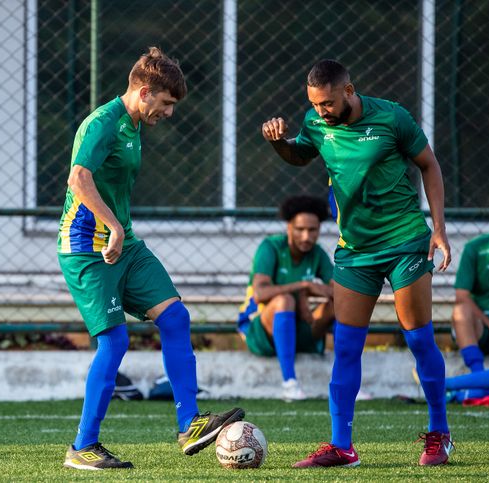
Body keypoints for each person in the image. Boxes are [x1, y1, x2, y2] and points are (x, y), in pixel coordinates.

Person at [57, 46, 244, 471]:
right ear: (144, 92)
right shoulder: (101, 123)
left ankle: (189, 425)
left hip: (125, 245)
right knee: (115, 341)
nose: (170, 113)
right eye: (167, 104)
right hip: (88, 248)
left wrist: (121, 230)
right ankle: (82, 446)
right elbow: (78, 178)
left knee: (176, 318)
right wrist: (115, 227)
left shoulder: (133, 124)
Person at [261, 59, 452, 467]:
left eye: (327, 103)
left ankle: (440, 434)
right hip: (355, 252)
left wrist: (439, 228)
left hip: (404, 242)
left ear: (349, 91)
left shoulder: (393, 117)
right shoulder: (316, 124)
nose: (320, 112)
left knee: (418, 339)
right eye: (314, 105)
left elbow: (429, 165)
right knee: (346, 347)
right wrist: (279, 142)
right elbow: (299, 155)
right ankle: (342, 446)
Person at [238, 196, 334, 401]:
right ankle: (289, 383)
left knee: (341, 305)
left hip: (298, 327)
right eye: (300, 229)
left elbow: (337, 292)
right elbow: (261, 294)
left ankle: (348, 381)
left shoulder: (317, 253)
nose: (306, 236)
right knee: (284, 300)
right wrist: (303, 286)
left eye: (313, 230)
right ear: (289, 227)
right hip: (261, 332)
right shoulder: (271, 247)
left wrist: (304, 295)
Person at [444, 233, 489, 400]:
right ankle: (477, 376)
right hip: (482, 326)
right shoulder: (476, 247)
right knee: (461, 311)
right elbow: (461, 297)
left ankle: (447, 386)